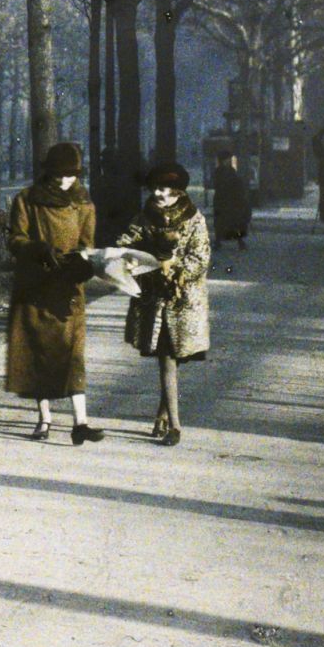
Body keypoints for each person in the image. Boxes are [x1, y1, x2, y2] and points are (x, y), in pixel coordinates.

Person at [4, 142, 104, 444]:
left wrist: (84, 264)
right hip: (35, 286)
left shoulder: (84, 204)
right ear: (49, 172)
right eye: (60, 175)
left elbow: (87, 245)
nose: (65, 181)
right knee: (38, 352)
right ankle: (44, 419)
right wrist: (36, 249)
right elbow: (15, 238)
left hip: (68, 287)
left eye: (71, 176)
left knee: (74, 353)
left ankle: (80, 422)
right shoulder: (27, 199)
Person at [118, 162, 212, 446]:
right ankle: (175, 425)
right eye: (155, 188)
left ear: (177, 191)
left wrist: (178, 271)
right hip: (154, 299)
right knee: (167, 360)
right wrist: (130, 257)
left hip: (183, 301)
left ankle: (162, 416)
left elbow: (201, 257)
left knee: (172, 361)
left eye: (164, 189)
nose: (158, 193)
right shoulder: (144, 216)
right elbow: (127, 242)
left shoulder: (194, 219)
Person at [210, 154, 251, 250]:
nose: (229, 161)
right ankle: (220, 241)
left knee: (232, 221)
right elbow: (221, 185)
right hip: (224, 200)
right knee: (226, 222)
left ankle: (236, 241)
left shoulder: (227, 171)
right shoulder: (221, 172)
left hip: (229, 200)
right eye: (228, 159)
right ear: (224, 160)